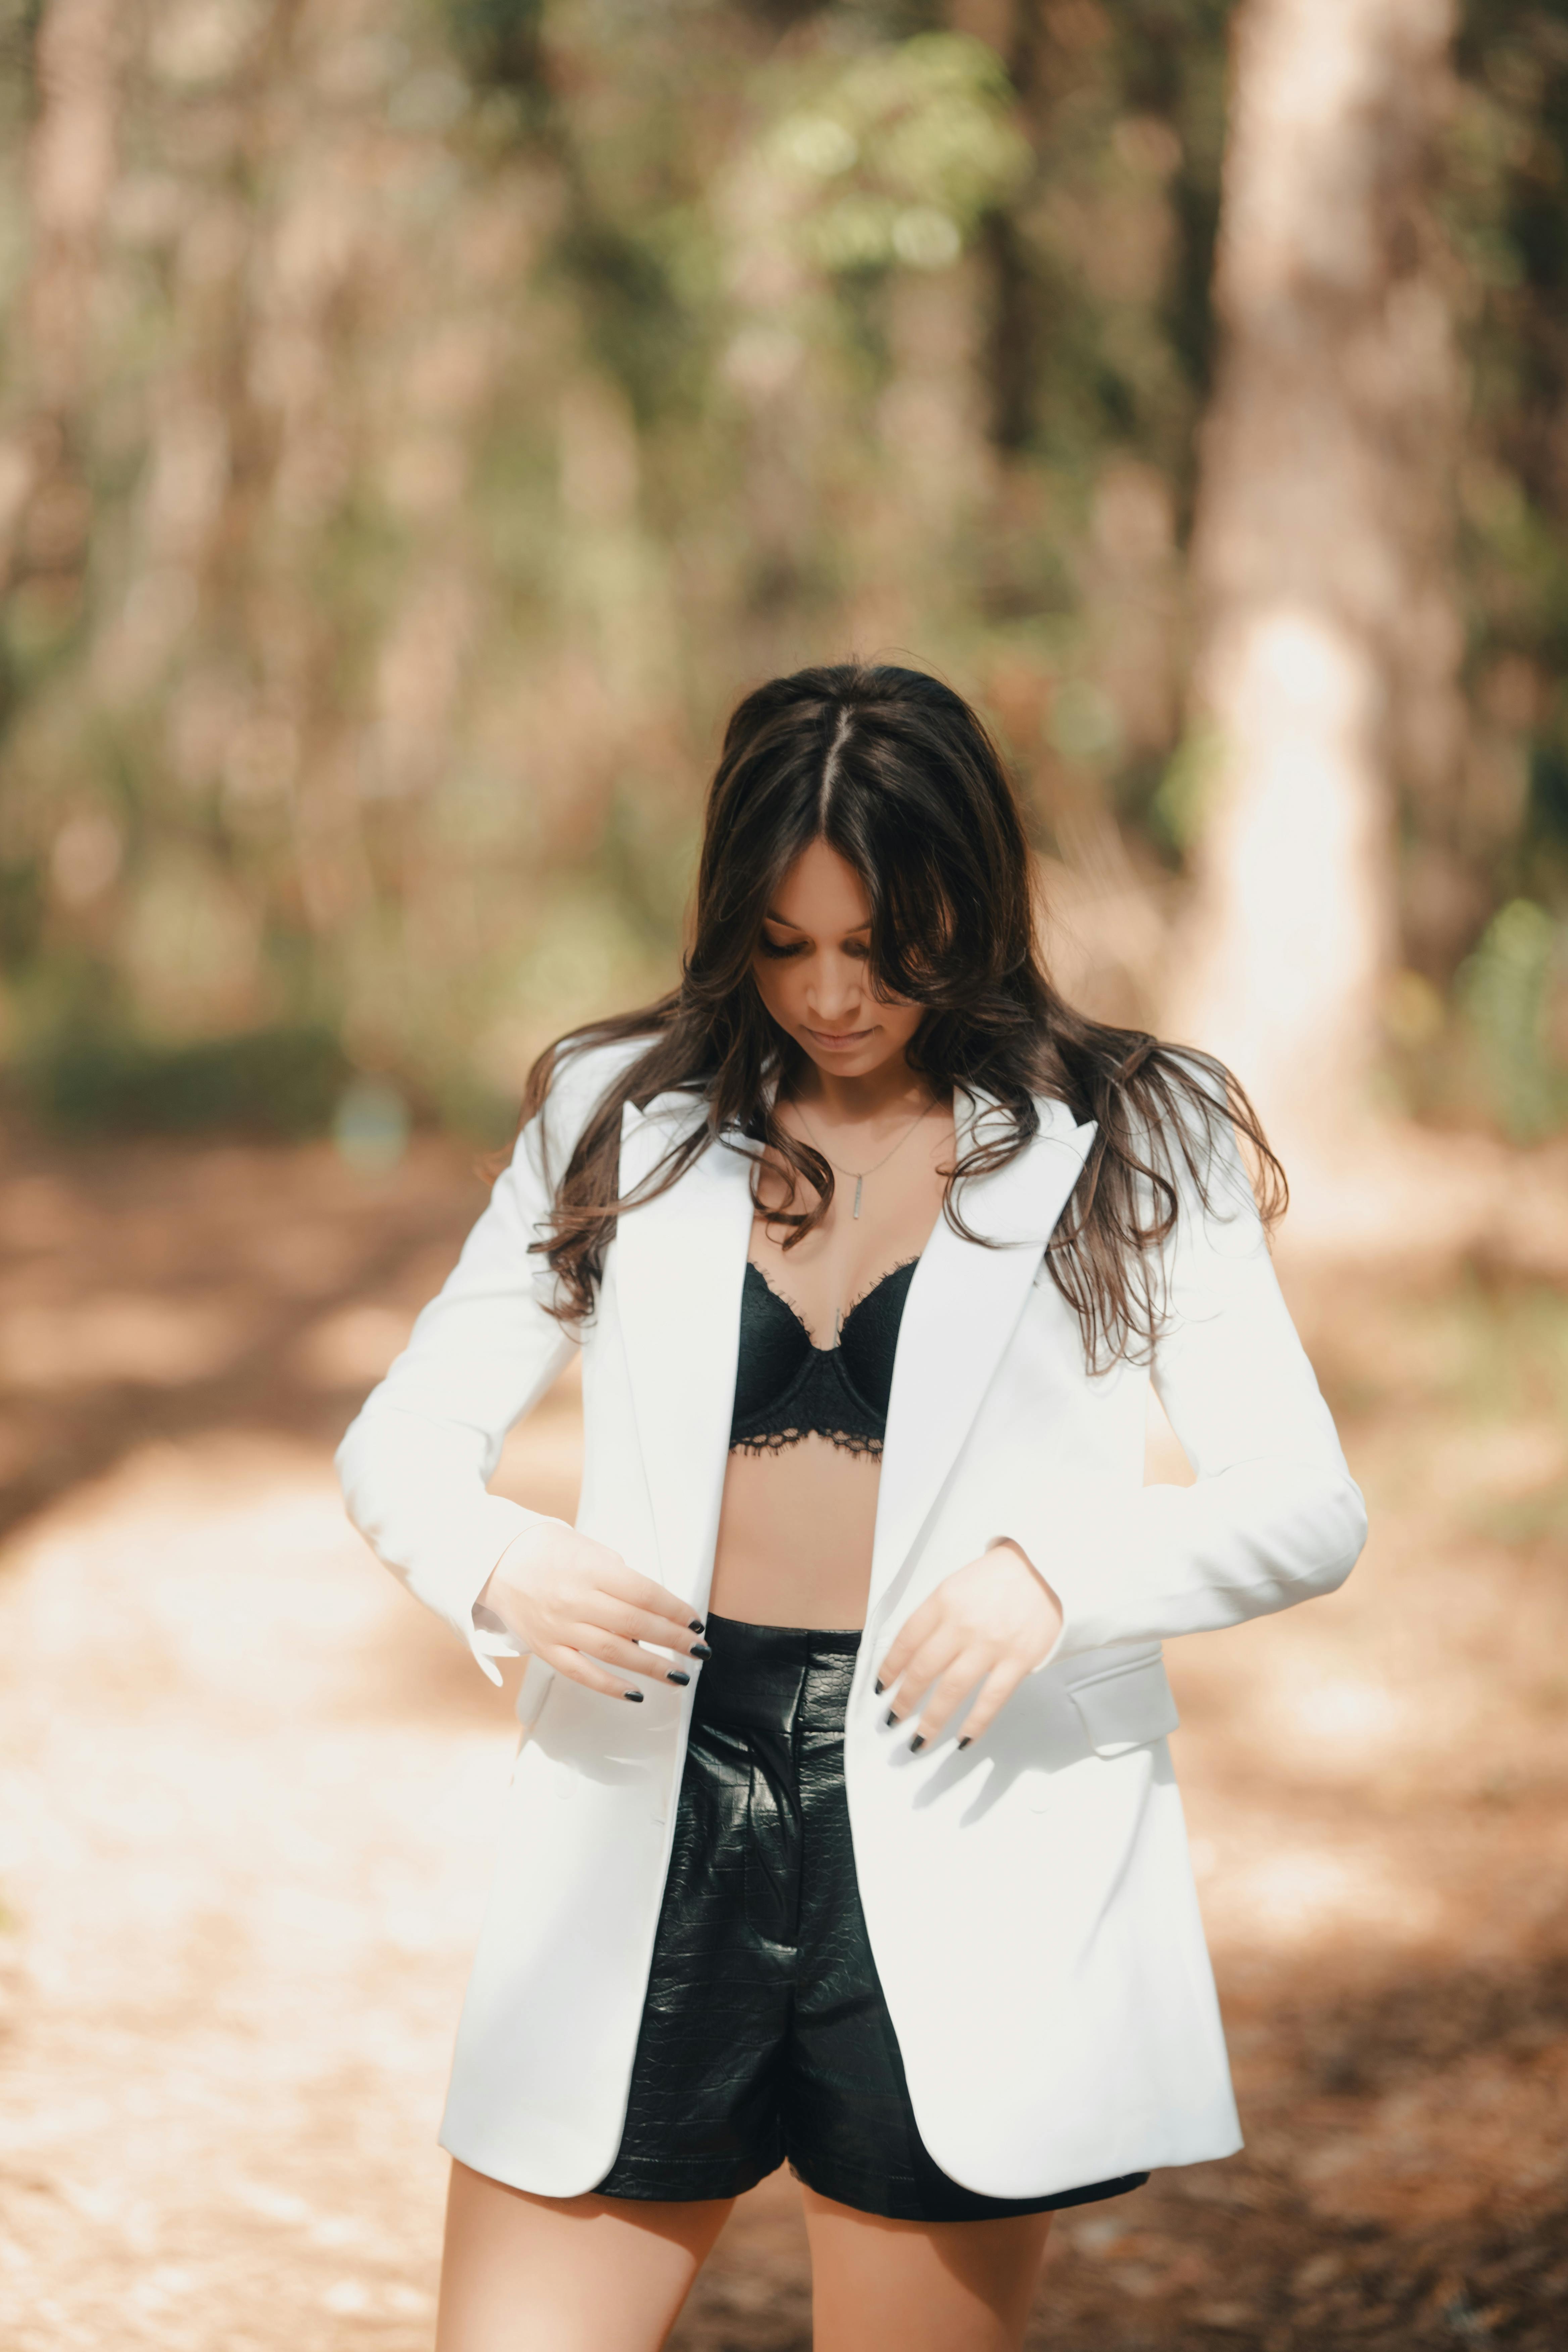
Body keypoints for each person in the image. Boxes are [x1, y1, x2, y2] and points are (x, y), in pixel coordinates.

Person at [335, 662, 1369, 2352]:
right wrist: (499, 1557)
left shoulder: (1127, 1131)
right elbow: (401, 1442)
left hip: (966, 1797)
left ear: (975, 904)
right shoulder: (618, 1112)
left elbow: (1306, 1504)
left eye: (885, 948)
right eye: (786, 943)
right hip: (649, 1791)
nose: (832, 995)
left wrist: (1059, 1571)